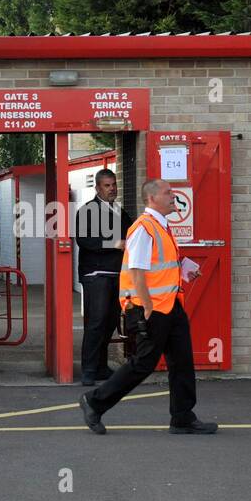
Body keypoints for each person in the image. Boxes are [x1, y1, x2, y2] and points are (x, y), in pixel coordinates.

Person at [79, 178, 217, 436]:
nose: (173, 196)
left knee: (182, 361)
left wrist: (184, 270)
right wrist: (147, 309)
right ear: (152, 198)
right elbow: (138, 271)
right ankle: (94, 401)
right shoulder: (144, 228)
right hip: (151, 309)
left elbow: (161, 264)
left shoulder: (161, 227)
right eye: (167, 192)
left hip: (170, 305)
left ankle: (183, 418)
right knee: (142, 363)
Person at [75, 168, 133, 386]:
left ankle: (100, 367)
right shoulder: (87, 210)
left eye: (114, 185)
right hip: (96, 274)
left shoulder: (119, 211)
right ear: (97, 187)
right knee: (96, 323)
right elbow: (84, 240)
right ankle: (89, 370)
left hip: (118, 274)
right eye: (107, 186)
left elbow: (131, 236)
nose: (112, 189)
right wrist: (113, 244)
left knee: (110, 322)